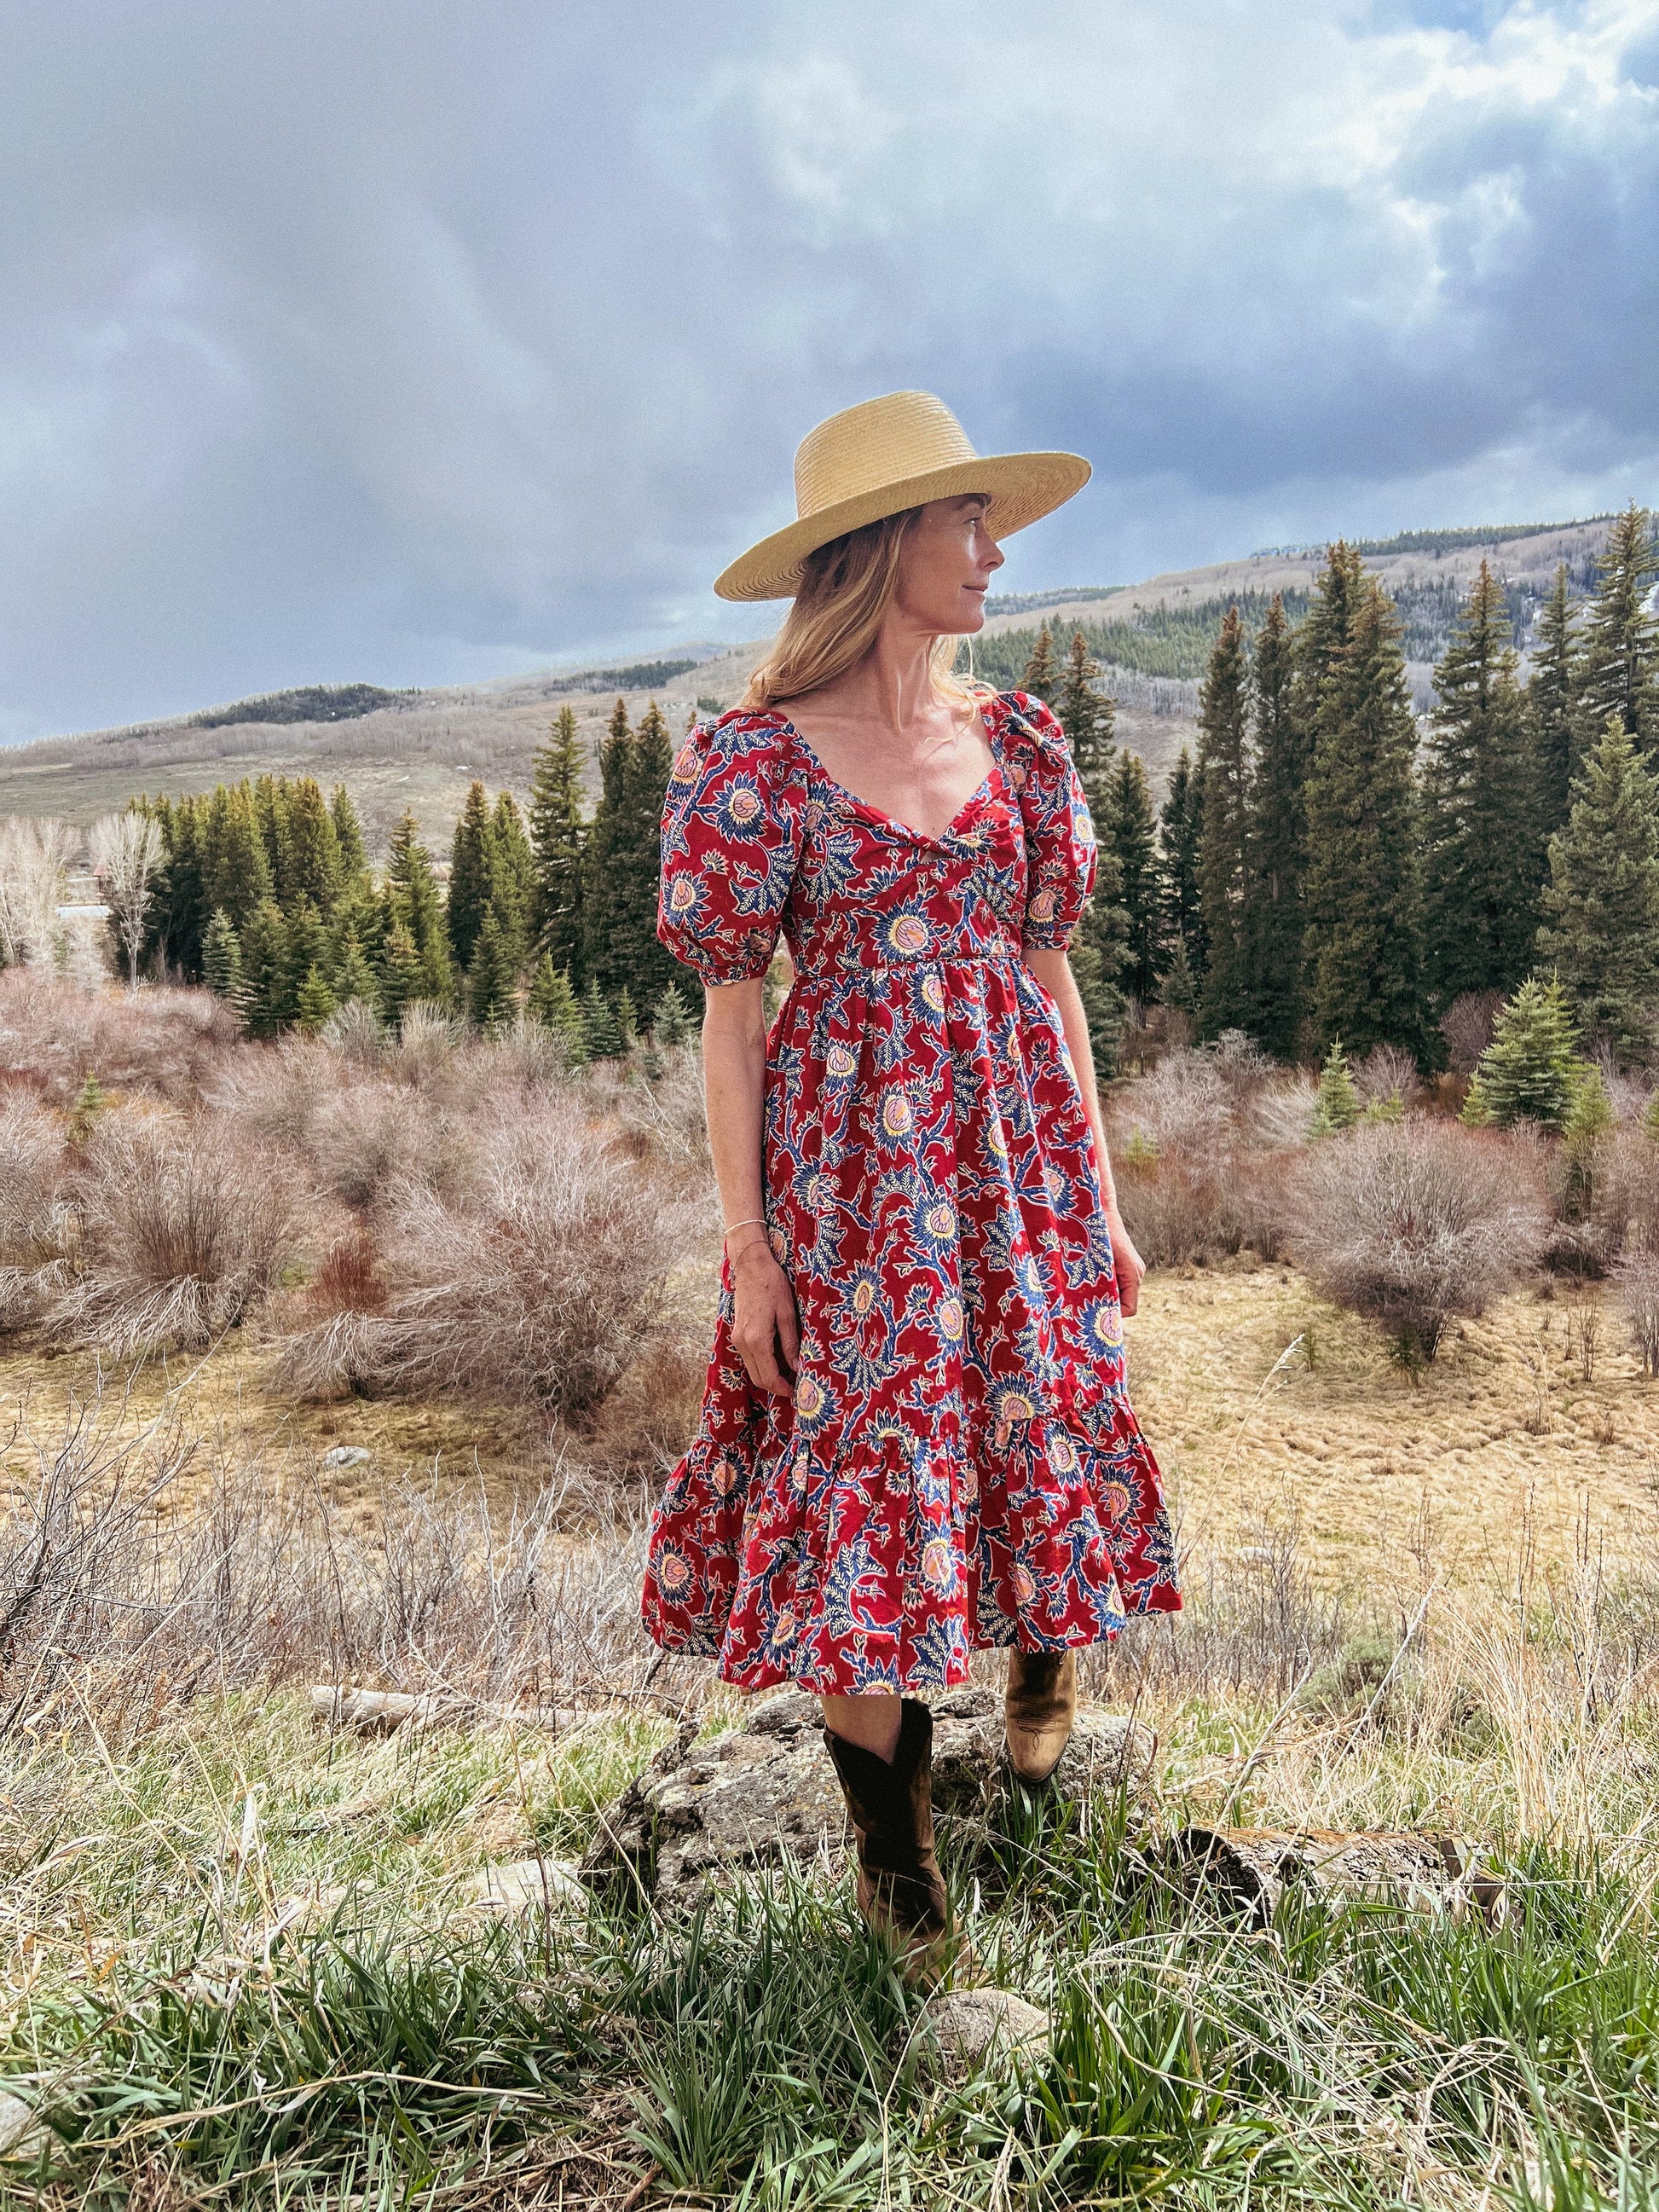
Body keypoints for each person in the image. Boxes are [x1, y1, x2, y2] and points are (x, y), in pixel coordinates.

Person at [643, 391, 1180, 1974]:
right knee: (856, 1479)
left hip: (1017, 1163)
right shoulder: (753, 765)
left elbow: (1052, 982)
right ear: (884, 547)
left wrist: (1100, 1198)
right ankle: (898, 1867)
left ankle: (1043, 1645)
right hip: (852, 1196)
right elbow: (731, 1020)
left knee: (1039, 1408)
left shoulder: (1018, 743)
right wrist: (749, 1250)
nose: (994, 552)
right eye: (967, 520)